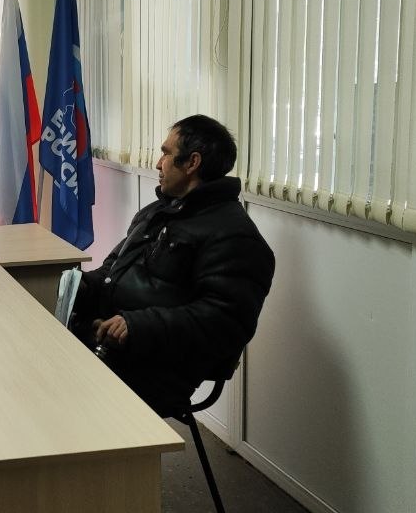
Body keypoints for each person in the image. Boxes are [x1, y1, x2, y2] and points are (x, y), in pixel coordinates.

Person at [72, 114, 275, 415]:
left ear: (192, 162)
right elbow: (111, 271)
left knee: (49, 385)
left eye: (166, 153)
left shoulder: (235, 236)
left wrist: (137, 326)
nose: (158, 163)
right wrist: (77, 286)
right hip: (111, 343)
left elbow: (225, 324)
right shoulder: (157, 212)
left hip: (154, 367)